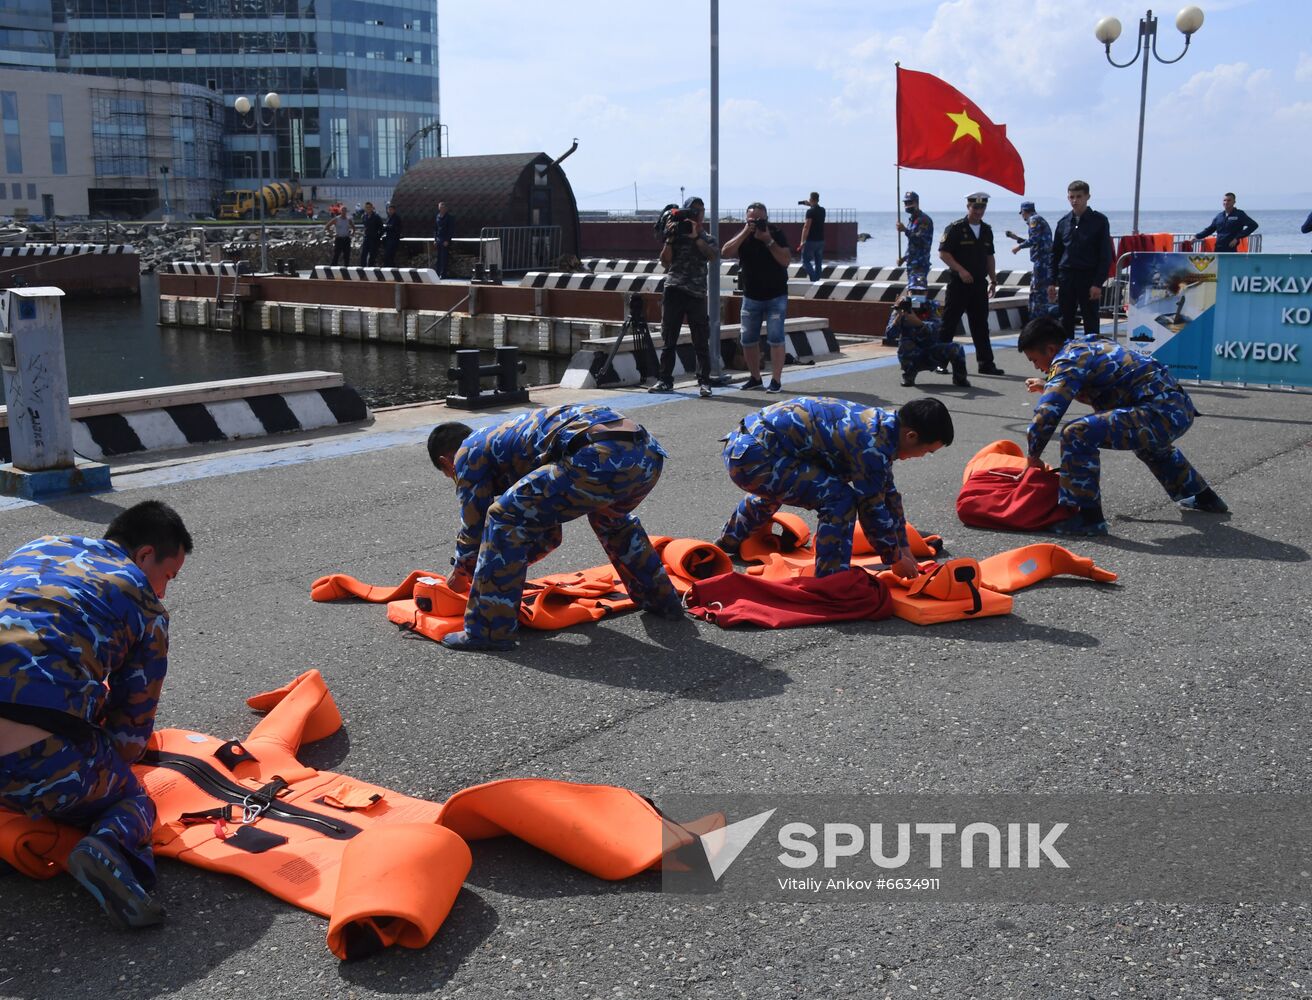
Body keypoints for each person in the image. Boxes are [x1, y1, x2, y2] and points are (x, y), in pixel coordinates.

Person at [0, 500, 192, 929]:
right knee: (132, 798)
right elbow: (129, 739)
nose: (163, 591)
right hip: (29, 752)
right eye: (167, 576)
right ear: (145, 556)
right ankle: (103, 848)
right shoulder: (146, 606)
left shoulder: (41, 546)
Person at [427, 405, 685, 652]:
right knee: (610, 520)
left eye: (449, 474)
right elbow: (548, 530)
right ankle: (661, 601)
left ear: (446, 461)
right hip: (647, 454)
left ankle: (489, 631)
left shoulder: (467, 453)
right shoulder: (506, 440)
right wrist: (500, 569)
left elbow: (475, 523)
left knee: (501, 517)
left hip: (595, 454)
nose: (455, 478)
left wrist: (462, 570)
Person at [1018, 315, 1226, 537]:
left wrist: (1033, 456)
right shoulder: (1089, 343)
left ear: (1050, 350)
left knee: (1075, 434)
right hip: (1176, 409)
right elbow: (1106, 391)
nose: (1037, 367)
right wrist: (1049, 384)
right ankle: (1205, 497)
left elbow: (1047, 413)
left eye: (1034, 360)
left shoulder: (1066, 360)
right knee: (1147, 442)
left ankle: (1088, 519)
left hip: (1159, 413)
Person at [716, 396, 953, 578]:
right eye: (927, 451)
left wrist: (904, 546)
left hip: (749, 448)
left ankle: (731, 540)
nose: (922, 456)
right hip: (753, 460)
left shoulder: (882, 426)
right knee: (840, 499)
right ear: (911, 436)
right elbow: (871, 507)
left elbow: (887, 495)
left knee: (790, 481)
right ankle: (832, 579)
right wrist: (894, 558)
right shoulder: (871, 442)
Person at [649, 197, 718, 398]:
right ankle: (665, 380)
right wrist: (669, 238)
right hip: (674, 289)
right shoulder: (675, 234)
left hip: (696, 293)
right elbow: (665, 263)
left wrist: (696, 237)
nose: (698, 214)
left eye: (701, 210)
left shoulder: (707, 237)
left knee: (700, 340)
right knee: (669, 338)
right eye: (694, 211)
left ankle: (705, 382)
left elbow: (713, 256)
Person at [722, 202, 791, 393]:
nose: (756, 223)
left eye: (760, 219)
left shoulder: (776, 233)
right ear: (746, 219)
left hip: (776, 296)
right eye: (752, 220)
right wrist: (745, 232)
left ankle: (776, 380)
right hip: (751, 296)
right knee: (748, 339)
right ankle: (755, 378)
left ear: (767, 218)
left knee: (776, 338)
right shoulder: (743, 235)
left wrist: (768, 240)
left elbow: (785, 260)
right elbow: (725, 252)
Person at [938, 191, 1005, 376]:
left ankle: (986, 363)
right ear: (968, 207)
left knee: (981, 325)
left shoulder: (986, 230)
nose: (978, 211)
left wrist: (993, 279)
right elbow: (944, 253)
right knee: (949, 323)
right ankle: (940, 362)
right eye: (975, 207)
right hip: (959, 284)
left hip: (979, 285)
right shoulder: (956, 228)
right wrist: (961, 270)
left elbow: (989, 256)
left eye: (982, 207)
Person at [1048, 180, 1113, 339]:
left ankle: (1092, 357)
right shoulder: (1063, 223)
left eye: (1078, 196)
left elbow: (1105, 254)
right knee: (1065, 321)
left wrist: (1098, 283)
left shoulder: (1099, 221)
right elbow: (1055, 254)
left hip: (1088, 277)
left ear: (1087, 197)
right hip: (1067, 277)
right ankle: (1067, 357)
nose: (1075, 200)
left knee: (1090, 321)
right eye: (1071, 197)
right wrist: (1051, 281)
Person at [887, 290, 969, 388]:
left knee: (956, 348)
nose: (917, 295)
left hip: (932, 348)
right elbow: (889, 335)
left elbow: (938, 328)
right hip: (913, 351)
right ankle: (909, 375)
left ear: (926, 293)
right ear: (909, 292)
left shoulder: (932, 306)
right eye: (914, 292)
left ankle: (960, 378)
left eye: (920, 292)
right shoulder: (902, 306)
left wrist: (919, 323)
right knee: (906, 344)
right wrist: (899, 316)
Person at [1005, 200, 1053, 320]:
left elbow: (1034, 240)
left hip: (1041, 261)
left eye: (1022, 213)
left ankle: (1038, 320)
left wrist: (1019, 247)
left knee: (1038, 293)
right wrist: (1017, 239)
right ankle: (1038, 319)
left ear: (1024, 212)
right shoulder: (1039, 220)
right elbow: (1038, 241)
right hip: (1044, 260)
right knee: (1037, 290)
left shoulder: (1033, 220)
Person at [1194, 193, 1259, 252]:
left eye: (1229, 200)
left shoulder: (1239, 214)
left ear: (1234, 202)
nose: (1226, 202)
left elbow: (1253, 225)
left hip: (1231, 249)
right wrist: (1196, 237)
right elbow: (1209, 230)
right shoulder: (1219, 216)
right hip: (1218, 249)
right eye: (1224, 200)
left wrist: (1237, 238)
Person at [896, 191, 934, 290]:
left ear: (917, 202)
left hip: (920, 265)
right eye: (906, 203)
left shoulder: (924, 220)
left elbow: (921, 241)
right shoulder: (912, 220)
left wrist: (905, 230)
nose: (907, 206)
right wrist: (904, 258)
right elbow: (913, 246)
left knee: (918, 293)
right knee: (912, 291)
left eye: (910, 203)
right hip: (912, 264)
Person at [797, 191, 826, 281]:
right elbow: (816, 209)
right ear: (818, 199)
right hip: (820, 240)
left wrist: (802, 241)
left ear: (810, 199)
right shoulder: (822, 210)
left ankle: (813, 279)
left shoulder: (810, 212)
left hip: (811, 240)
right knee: (818, 262)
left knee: (805, 261)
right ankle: (817, 281)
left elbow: (806, 227)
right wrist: (810, 205)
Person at [433, 201, 455, 279]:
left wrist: (447, 240)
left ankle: (443, 274)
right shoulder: (437, 216)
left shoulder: (449, 217)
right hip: (438, 239)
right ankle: (437, 273)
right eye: (440, 207)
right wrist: (435, 239)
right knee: (438, 258)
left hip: (445, 240)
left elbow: (450, 230)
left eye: (443, 207)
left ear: (446, 208)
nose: (441, 209)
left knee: (444, 258)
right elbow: (435, 229)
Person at [358, 201, 384, 266]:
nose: (368, 209)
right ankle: (362, 269)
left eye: (369, 207)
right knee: (364, 254)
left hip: (374, 238)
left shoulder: (376, 217)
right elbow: (365, 226)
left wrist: (378, 236)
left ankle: (370, 268)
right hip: (367, 237)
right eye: (366, 208)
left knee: (372, 255)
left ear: (372, 208)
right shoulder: (364, 217)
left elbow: (382, 229)